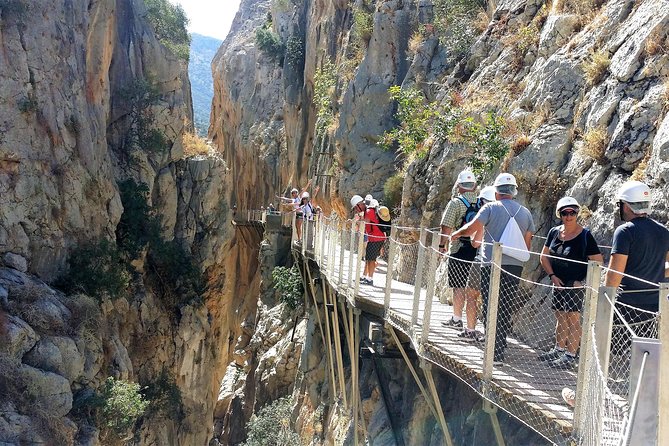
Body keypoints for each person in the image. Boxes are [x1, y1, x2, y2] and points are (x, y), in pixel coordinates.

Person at [451, 173, 535, 364]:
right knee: (505, 306)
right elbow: (527, 244)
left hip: (491, 264)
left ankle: (492, 351)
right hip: (514, 266)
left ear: (497, 192)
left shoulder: (490, 208)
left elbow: (472, 228)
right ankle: (499, 348)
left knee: (490, 306)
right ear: (513, 192)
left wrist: (456, 234)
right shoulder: (525, 212)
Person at [538, 197, 603, 369]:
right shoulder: (554, 232)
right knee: (560, 315)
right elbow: (543, 256)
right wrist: (552, 275)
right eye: (565, 213)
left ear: (577, 213)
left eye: (572, 212)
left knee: (573, 318)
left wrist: (581, 281)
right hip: (558, 281)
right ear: (560, 214)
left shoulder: (585, 236)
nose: (569, 216)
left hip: (575, 284)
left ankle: (570, 355)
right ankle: (559, 349)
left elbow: (598, 261)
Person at [605, 181, 669, 338]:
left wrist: (604, 300)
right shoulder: (663, 231)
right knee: (645, 353)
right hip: (654, 306)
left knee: (615, 354)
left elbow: (614, 275)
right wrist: (656, 274)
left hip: (626, 305)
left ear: (626, 206)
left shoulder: (625, 232)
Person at [439, 170, 479, 335]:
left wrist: (442, 245)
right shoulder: (482, 201)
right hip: (477, 250)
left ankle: (457, 319)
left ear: (459, 186)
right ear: (475, 186)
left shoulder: (455, 203)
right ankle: (471, 325)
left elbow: (446, 226)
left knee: (458, 285)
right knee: (473, 290)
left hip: (459, 248)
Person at [459, 185, 496, 340]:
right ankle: (493, 336)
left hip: (482, 260)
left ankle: (470, 330)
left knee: (472, 295)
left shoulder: (486, 216)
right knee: (494, 301)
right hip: (503, 264)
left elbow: (475, 243)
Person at [351, 195, 386, 286]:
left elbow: (365, 221)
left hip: (376, 238)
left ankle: (370, 279)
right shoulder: (368, 211)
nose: (356, 210)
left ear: (360, 205)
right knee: (368, 258)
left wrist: (357, 220)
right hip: (374, 238)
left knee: (371, 259)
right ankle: (365, 277)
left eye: (356, 208)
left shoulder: (369, 211)